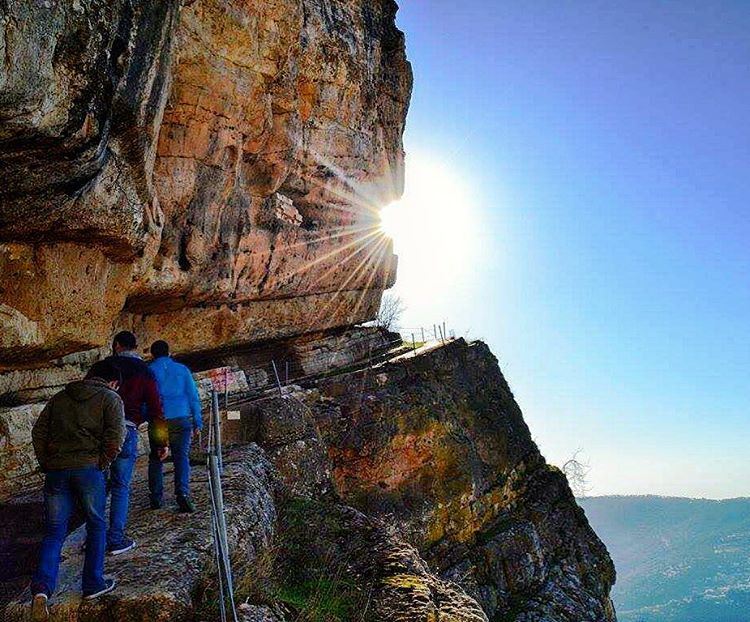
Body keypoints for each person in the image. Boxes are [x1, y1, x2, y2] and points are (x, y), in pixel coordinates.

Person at [30, 360, 126, 619]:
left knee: (53, 531)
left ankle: (41, 589)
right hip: (88, 469)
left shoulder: (59, 398)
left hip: (56, 471)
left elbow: (38, 432)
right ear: (113, 382)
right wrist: (102, 462)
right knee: (96, 524)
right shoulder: (110, 398)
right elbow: (116, 436)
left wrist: (46, 462)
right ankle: (93, 583)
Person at [105, 331, 168, 555]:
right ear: (135, 346)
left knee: (98, 487)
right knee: (121, 486)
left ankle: (93, 539)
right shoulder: (145, 372)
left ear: (117, 346)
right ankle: (115, 539)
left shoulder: (103, 367)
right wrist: (161, 442)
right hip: (126, 430)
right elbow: (156, 409)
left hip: (98, 433)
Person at [148, 340, 203, 513]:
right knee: (181, 457)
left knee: (156, 457)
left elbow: (147, 397)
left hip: (159, 420)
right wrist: (197, 421)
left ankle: (156, 498)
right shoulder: (182, 370)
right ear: (169, 352)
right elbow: (193, 396)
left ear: (152, 355)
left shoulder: (149, 371)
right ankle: (182, 494)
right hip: (181, 418)